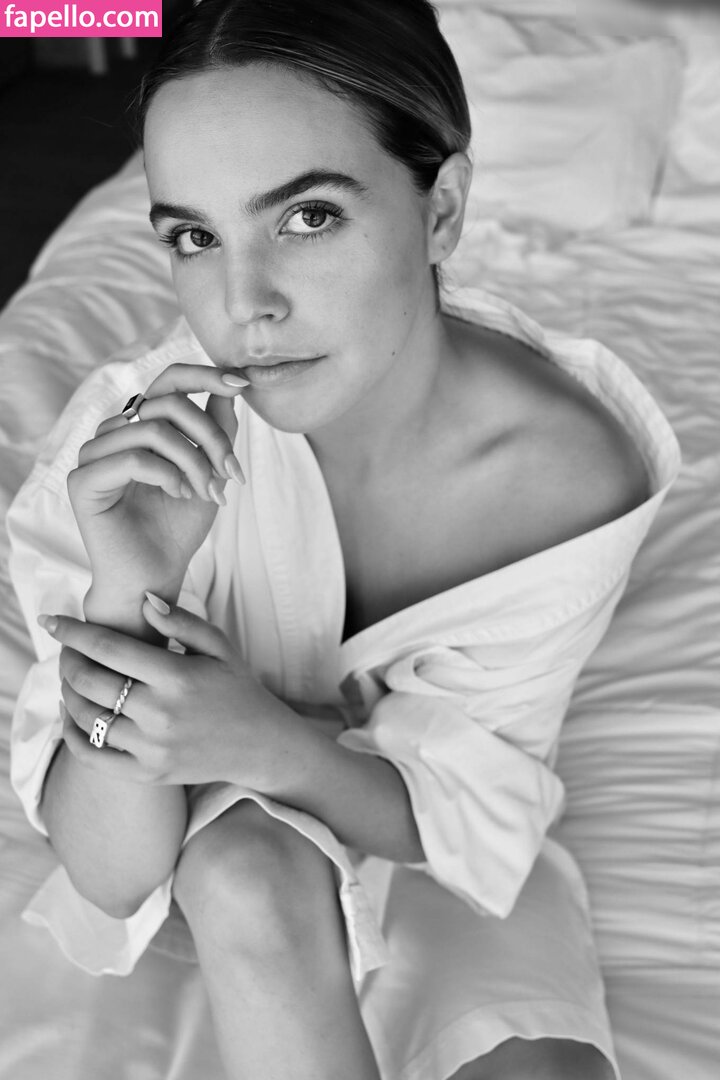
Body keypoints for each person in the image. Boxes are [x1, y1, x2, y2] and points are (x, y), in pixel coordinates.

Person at [7, 1, 680, 1078]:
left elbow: (460, 816)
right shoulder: (126, 461)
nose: (244, 305)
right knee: (244, 869)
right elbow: (109, 872)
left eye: (308, 217)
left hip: (430, 855)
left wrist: (266, 740)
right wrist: (128, 587)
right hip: (203, 851)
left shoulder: (562, 477)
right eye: (194, 237)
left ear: (441, 210)